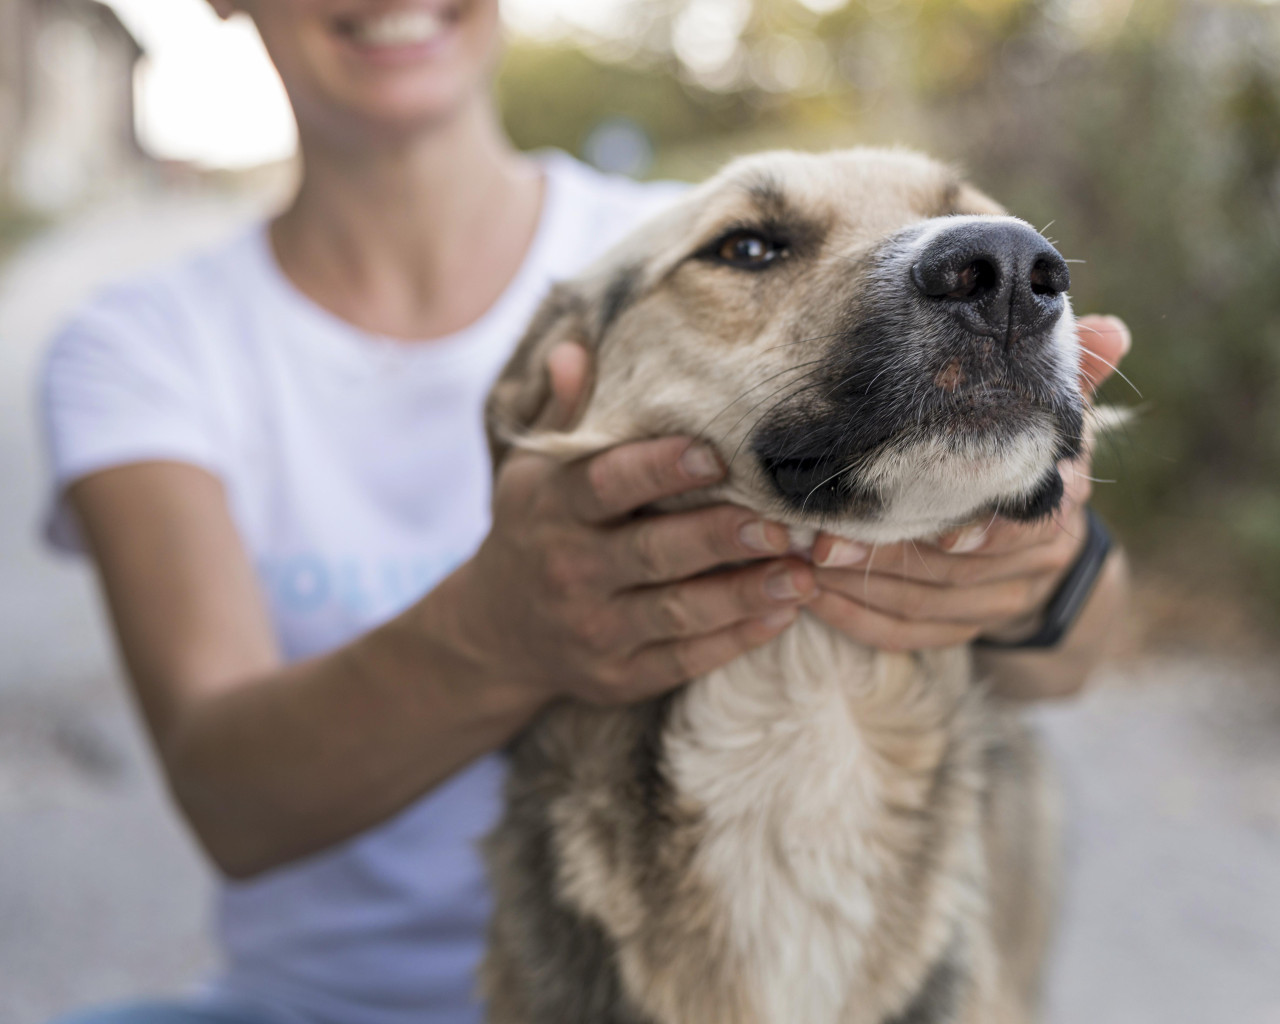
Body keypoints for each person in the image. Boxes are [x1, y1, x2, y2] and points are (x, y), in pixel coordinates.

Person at [40, 2, 1131, 1022]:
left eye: (984, 246)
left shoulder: (648, 225)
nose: (985, 273)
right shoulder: (142, 344)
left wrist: (1042, 572)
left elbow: (1069, 658)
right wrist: (496, 627)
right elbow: (230, 801)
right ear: (532, 405)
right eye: (755, 249)